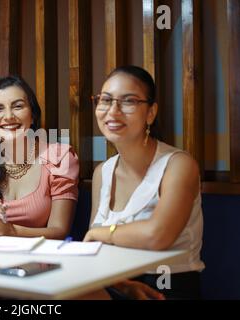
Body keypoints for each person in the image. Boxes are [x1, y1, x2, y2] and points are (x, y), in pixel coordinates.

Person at [83, 65, 205, 299]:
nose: (113, 111)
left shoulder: (179, 165)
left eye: (128, 101)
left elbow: (158, 235)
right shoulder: (103, 172)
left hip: (167, 287)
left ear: (150, 112)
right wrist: (123, 285)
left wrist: (103, 233)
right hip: (119, 286)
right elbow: (96, 251)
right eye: (106, 100)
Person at [0, 75, 79, 240]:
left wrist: (11, 231)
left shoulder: (59, 158)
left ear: (32, 114)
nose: (9, 116)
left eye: (18, 106)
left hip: (37, 261)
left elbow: (59, 230)